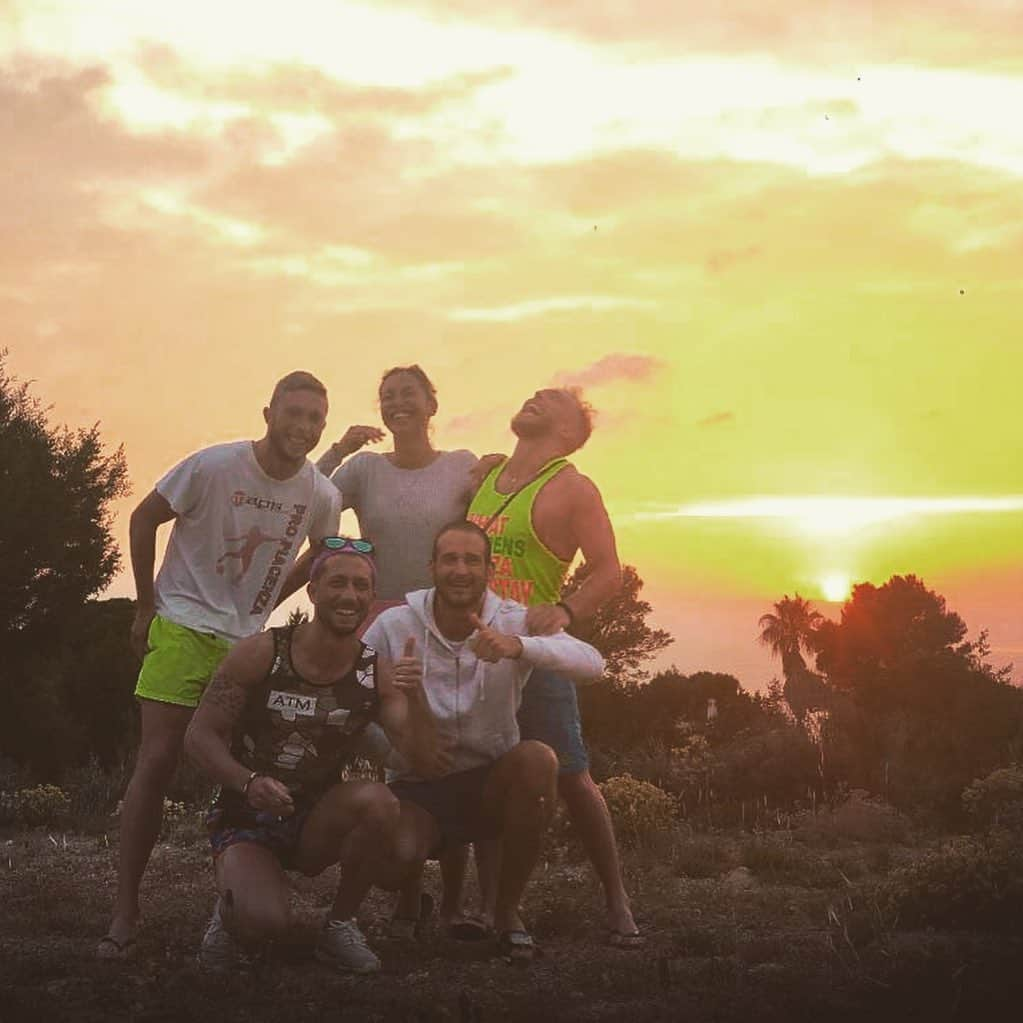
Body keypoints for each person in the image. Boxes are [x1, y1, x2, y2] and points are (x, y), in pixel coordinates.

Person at [97, 371, 341, 960]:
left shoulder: (322, 496)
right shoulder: (213, 464)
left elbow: (322, 562)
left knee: (253, 773)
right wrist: (145, 606)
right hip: (182, 625)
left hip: (248, 643)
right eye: (294, 413)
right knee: (156, 763)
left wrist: (266, 605)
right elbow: (142, 517)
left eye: (314, 419)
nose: (303, 427)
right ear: (268, 413)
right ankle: (125, 912)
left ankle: (232, 905)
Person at [184, 539, 445, 973]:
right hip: (247, 814)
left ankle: (339, 925)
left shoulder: (374, 671)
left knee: (380, 802)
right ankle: (231, 915)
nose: (350, 596)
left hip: (316, 819)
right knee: (265, 925)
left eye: (362, 586)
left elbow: (419, 756)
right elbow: (199, 736)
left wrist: (416, 696)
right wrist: (247, 783)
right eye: (338, 582)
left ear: (371, 597)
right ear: (313, 590)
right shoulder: (262, 652)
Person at [364, 521, 604, 960]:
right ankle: (411, 895)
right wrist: (392, 745)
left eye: (472, 560)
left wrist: (519, 646)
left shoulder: (513, 619)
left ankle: (506, 912)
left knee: (539, 760)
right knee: (390, 861)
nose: (461, 570)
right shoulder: (394, 625)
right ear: (431, 566)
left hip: (488, 784)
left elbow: (593, 663)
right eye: (450, 559)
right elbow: (351, 691)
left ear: (489, 569)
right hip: (418, 787)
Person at [465, 386, 642, 947]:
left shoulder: (573, 488)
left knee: (571, 775)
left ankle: (617, 901)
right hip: (477, 650)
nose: (535, 396)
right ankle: (496, 909)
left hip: (537, 658)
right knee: (486, 773)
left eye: (552, 401)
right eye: (533, 392)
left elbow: (609, 570)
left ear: (569, 434)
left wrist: (565, 610)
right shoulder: (486, 478)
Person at [314, 364, 478, 619]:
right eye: (388, 397)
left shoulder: (462, 465)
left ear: (431, 405)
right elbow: (307, 502)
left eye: (408, 393)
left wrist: (499, 465)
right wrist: (338, 451)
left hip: (443, 615)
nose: (397, 403)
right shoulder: (365, 467)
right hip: (377, 615)